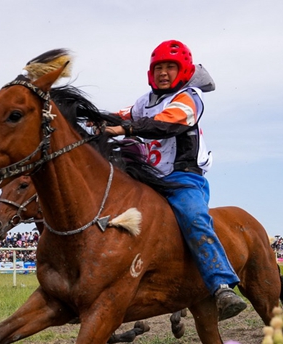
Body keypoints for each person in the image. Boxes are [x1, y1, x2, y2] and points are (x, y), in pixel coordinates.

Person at [104, 40, 247, 320]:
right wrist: (86, 117)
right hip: (149, 180)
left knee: (194, 218)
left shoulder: (189, 97)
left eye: (171, 67)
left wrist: (126, 128)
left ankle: (221, 286)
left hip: (184, 179)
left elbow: (167, 123)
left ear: (183, 71)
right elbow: (119, 114)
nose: (164, 73)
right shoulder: (145, 102)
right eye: (159, 67)